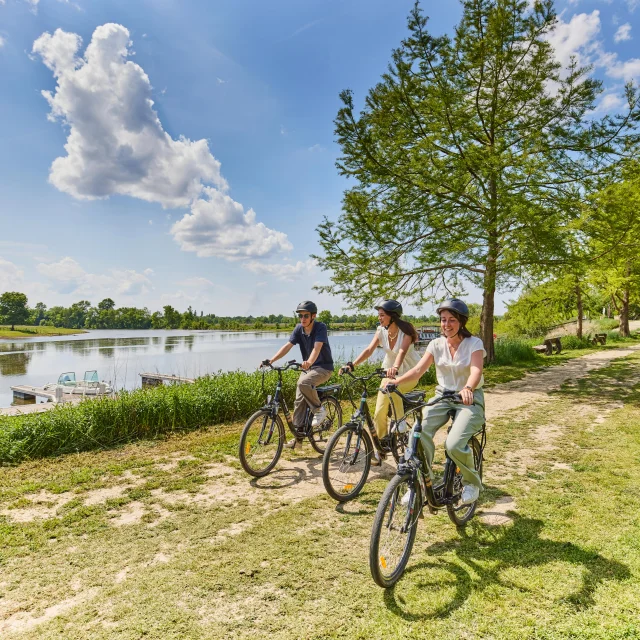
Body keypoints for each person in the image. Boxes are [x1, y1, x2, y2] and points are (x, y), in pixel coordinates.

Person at [387, 298, 485, 505]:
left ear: (461, 322)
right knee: (418, 434)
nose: (446, 325)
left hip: (468, 398)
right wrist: (395, 382)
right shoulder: (435, 344)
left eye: (452, 320)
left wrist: (468, 388)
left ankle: (471, 482)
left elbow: (476, 370)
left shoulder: (474, 343)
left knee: (454, 443)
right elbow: (418, 371)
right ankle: (422, 483)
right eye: (443, 320)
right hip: (443, 395)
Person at [340, 299, 420, 465]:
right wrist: (352, 365)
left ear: (393, 317)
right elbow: (369, 350)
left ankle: (400, 422)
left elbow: (402, 352)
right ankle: (381, 448)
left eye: (382, 315)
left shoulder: (405, 333)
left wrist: (395, 368)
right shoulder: (381, 331)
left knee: (392, 386)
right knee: (378, 413)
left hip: (409, 373)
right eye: (379, 315)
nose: (379, 318)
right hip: (389, 374)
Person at [262, 300, 334, 450]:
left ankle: (319, 410)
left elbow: (317, 348)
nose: (302, 319)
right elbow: (287, 346)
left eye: (306, 316)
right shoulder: (298, 329)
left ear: (313, 316)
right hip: (308, 369)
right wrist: (271, 360)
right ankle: (298, 439)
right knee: (298, 401)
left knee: (303, 383)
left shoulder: (321, 327)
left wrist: (308, 361)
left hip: (323, 368)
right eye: (300, 316)